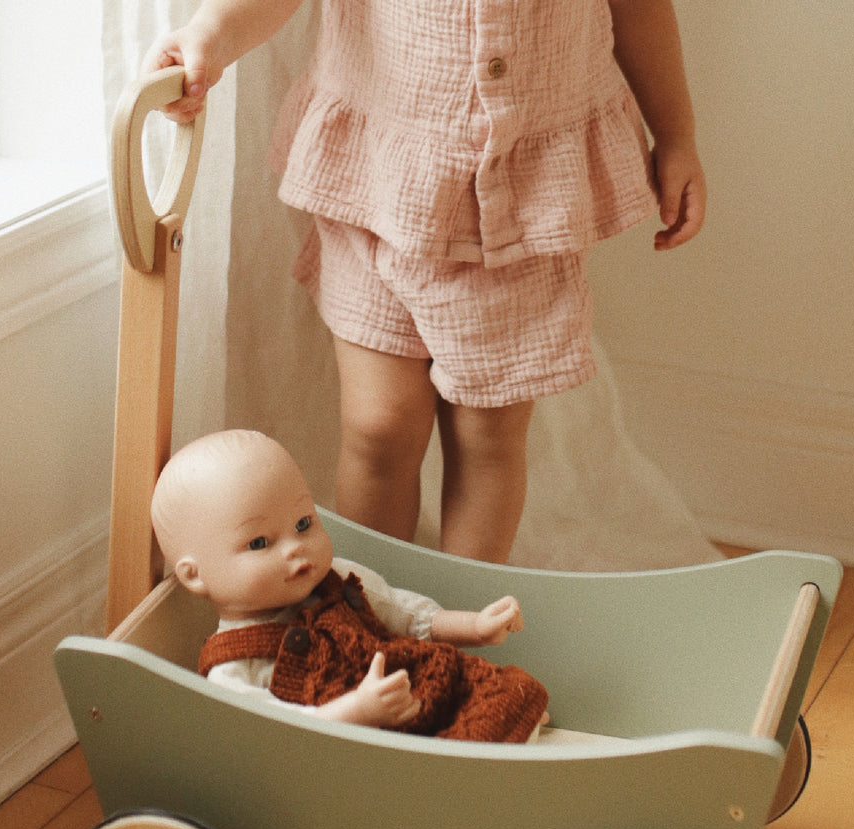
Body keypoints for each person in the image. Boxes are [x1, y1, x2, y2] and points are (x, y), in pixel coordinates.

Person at [143, 0, 706, 563]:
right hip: (375, 178)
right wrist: (209, 34)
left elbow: (641, 8)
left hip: (520, 201)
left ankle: (461, 623)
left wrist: (675, 134)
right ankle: (369, 617)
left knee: (487, 438)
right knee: (378, 425)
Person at [150, 429, 550, 742]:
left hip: (413, 684)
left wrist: (474, 627)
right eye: (259, 543)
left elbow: (405, 613)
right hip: (355, 744)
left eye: (303, 524)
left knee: (504, 692)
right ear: (194, 575)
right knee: (452, 754)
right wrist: (357, 710)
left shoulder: (337, 578)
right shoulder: (232, 665)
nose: (295, 549)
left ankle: (518, 732)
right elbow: (274, 731)